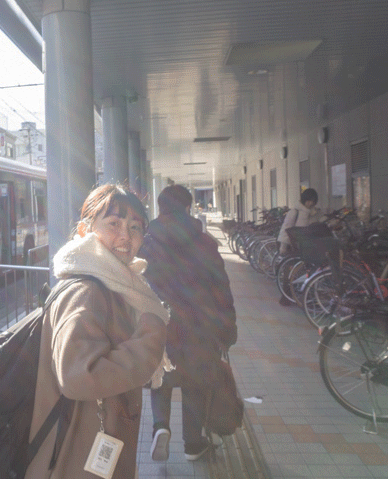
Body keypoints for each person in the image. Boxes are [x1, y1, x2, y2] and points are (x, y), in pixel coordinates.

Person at [25, 183, 171, 479]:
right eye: (114, 223)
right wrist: (152, 337)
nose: (125, 236)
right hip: (77, 455)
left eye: (135, 227)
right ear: (84, 230)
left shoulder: (114, 284)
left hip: (87, 442)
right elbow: (79, 376)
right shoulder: (85, 291)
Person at [138, 184, 237, 462]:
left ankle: (161, 427)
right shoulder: (204, 243)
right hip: (200, 326)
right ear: (187, 208)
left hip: (162, 324)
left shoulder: (147, 244)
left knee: (160, 377)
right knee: (196, 383)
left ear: (160, 208)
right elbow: (221, 288)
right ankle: (193, 444)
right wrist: (227, 328)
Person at [276, 187, 322, 305]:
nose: (310, 203)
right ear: (304, 199)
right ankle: (286, 297)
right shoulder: (294, 212)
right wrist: (283, 246)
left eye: (313, 201)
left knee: (304, 272)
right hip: (293, 246)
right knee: (290, 273)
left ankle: (302, 297)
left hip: (306, 247)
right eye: (309, 200)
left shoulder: (314, 213)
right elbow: (286, 229)